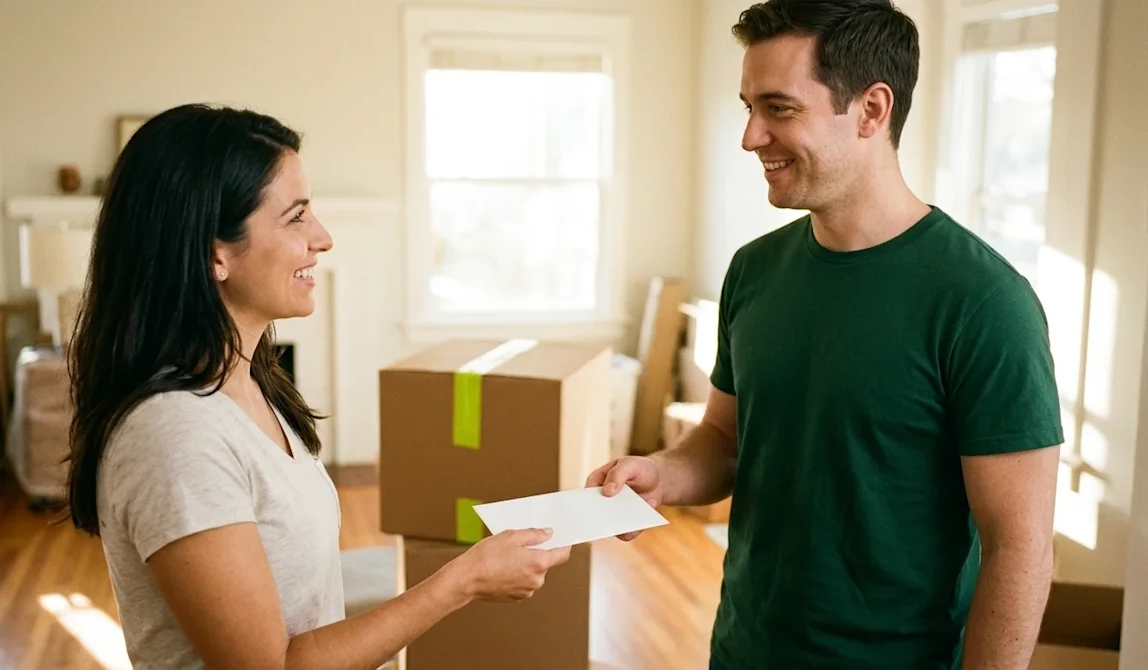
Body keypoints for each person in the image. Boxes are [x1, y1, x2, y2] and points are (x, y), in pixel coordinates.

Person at [588, 1, 1063, 668]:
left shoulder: (983, 303)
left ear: (871, 110)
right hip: (742, 651)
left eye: (779, 109)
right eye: (749, 107)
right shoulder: (754, 271)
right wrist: (662, 473)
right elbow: (725, 439)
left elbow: (1021, 548)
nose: (750, 137)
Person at [66, 103, 572, 670]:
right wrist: (463, 580)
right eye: (296, 218)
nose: (323, 238)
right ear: (215, 253)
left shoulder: (249, 386)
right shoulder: (176, 436)